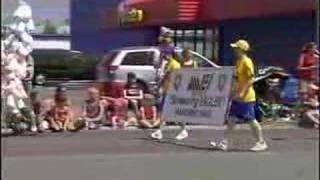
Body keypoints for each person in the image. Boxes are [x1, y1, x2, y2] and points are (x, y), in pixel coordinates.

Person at [210, 39, 268, 152]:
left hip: (246, 96)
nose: (234, 50)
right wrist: (233, 91)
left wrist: (242, 92)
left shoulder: (247, 61)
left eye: (236, 48)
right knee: (231, 119)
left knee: (251, 120)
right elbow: (238, 79)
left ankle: (261, 142)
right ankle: (224, 142)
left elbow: (251, 79)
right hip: (238, 95)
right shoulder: (239, 61)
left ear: (241, 49)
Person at [151, 51, 188, 140]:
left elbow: (176, 78)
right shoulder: (168, 64)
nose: (162, 56)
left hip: (173, 92)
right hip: (167, 91)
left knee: (173, 111)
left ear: (170, 55)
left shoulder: (175, 65)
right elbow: (164, 77)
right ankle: (159, 131)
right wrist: (159, 87)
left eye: (164, 54)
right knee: (164, 111)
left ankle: (183, 130)